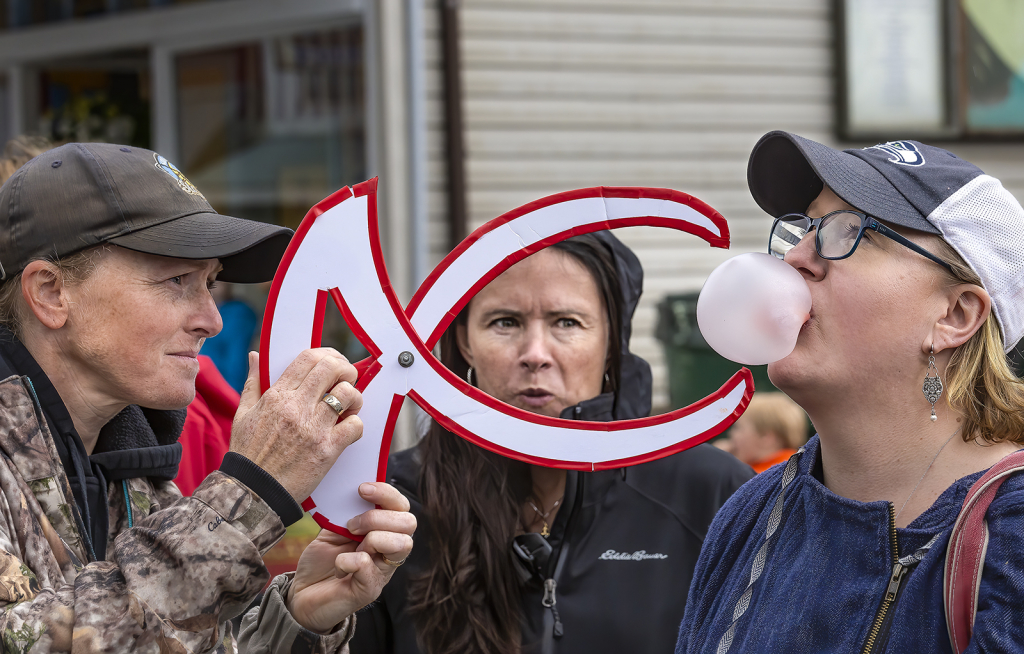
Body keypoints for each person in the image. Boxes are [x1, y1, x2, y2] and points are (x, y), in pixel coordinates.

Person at [0, 142, 415, 652]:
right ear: (50, 293)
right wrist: (250, 494)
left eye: (209, 284)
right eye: (175, 280)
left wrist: (298, 617)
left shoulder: (128, 464)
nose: (211, 320)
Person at [676, 132, 1024, 653]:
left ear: (955, 315)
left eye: (847, 231)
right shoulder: (750, 514)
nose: (795, 258)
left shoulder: (1011, 540)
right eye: (803, 228)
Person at [350, 232, 753, 654]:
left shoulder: (712, 493)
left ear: (612, 345)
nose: (535, 353)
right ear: (466, 342)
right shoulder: (392, 500)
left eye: (567, 322)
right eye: (505, 322)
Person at [715, 391, 808, 473]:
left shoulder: (766, 476)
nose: (731, 434)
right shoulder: (798, 466)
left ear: (766, 438)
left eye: (738, 428)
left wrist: (719, 464)